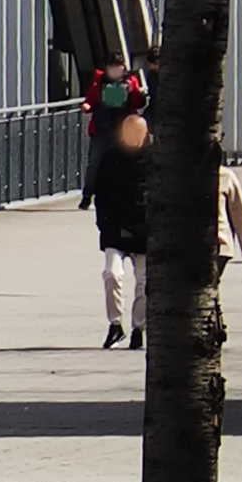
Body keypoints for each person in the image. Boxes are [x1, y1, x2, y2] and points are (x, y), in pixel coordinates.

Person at [85, 112, 150, 348]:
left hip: (146, 231)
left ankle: (138, 327)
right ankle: (115, 324)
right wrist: (104, 223)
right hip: (115, 229)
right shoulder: (111, 157)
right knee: (112, 275)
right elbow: (100, 192)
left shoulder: (155, 159)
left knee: (144, 282)